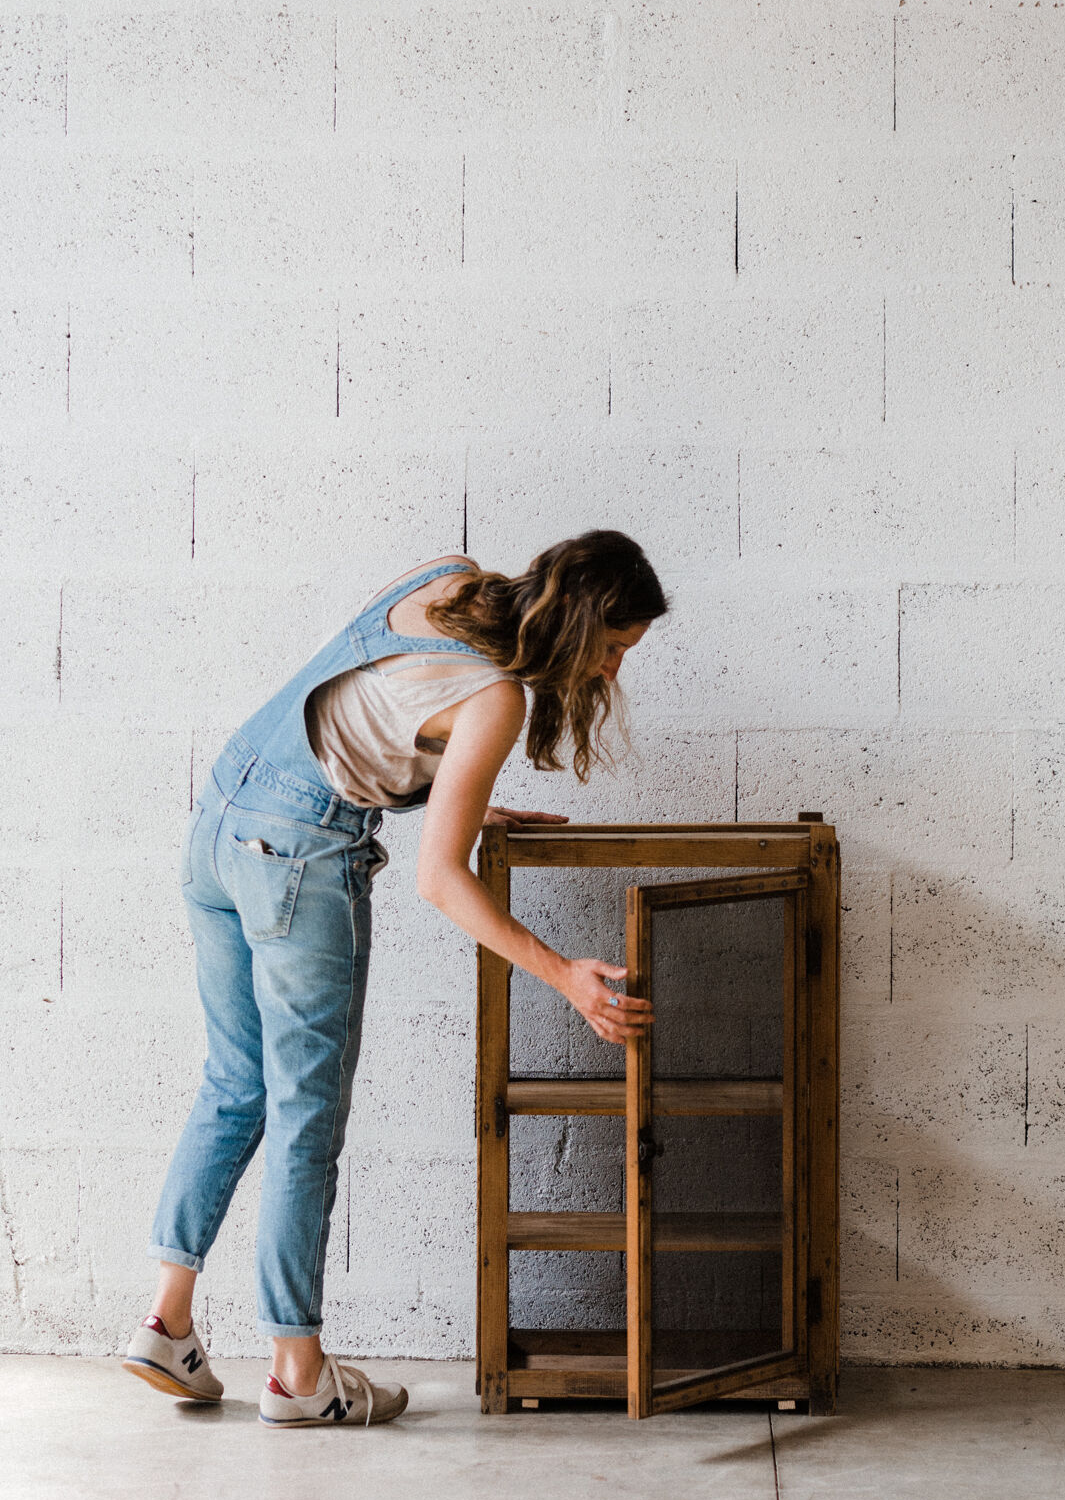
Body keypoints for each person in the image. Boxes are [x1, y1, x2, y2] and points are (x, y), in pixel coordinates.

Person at [122, 530, 667, 1427]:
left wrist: (460, 793)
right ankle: (298, 1373)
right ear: (576, 625)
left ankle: (166, 1320)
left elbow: (366, 713)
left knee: (233, 1084)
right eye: (612, 650)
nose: (609, 674)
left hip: (220, 826)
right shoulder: (496, 702)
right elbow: (440, 880)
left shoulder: (441, 581)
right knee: (305, 1116)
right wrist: (565, 974)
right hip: (299, 861)